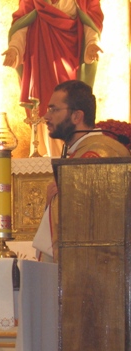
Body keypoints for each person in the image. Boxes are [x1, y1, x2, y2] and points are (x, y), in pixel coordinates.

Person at [33, 80, 130, 261]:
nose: (46, 116)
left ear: (77, 116)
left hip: (98, 263)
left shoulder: (96, 155)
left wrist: (56, 200)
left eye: (54, 109)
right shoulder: (84, 152)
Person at [3, 0, 104, 156]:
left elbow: (91, 19)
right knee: (44, 105)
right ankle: (45, 153)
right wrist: (14, 49)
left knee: (69, 101)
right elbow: (22, 23)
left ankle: (71, 152)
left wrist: (92, 43)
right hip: (41, 57)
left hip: (70, 57)